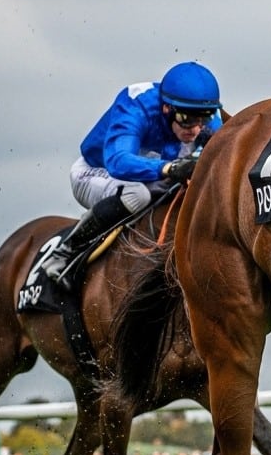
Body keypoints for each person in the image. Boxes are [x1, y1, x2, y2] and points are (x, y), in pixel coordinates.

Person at [40, 61, 223, 288]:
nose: (195, 129)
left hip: (152, 180)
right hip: (96, 172)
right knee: (138, 194)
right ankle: (64, 253)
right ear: (167, 108)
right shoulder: (137, 106)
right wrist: (169, 168)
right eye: (186, 119)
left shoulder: (208, 119)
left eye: (203, 119)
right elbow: (118, 161)